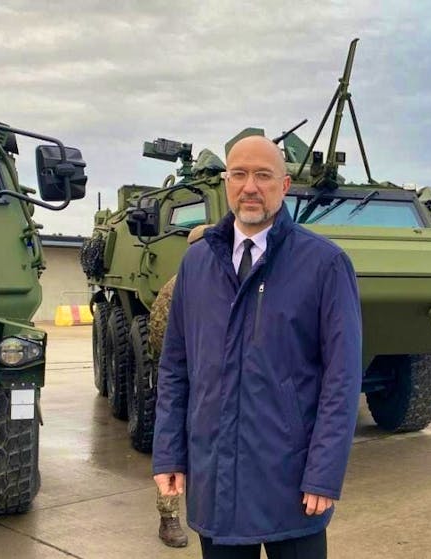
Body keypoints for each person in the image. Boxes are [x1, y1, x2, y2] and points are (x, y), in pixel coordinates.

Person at [152, 135, 362, 559]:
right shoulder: (197, 264)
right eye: (240, 174)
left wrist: (323, 473)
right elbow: (175, 367)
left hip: (291, 482)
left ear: (283, 186)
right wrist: (169, 453)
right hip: (217, 482)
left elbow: (342, 379)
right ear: (226, 182)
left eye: (263, 175)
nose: (250, 187)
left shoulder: (324, 264)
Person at [147, 224, 210, 548]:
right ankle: (168, 517)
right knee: (174, 446)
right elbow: (162, 339)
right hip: (182, 381)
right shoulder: (179, 285)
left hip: (206, 381)